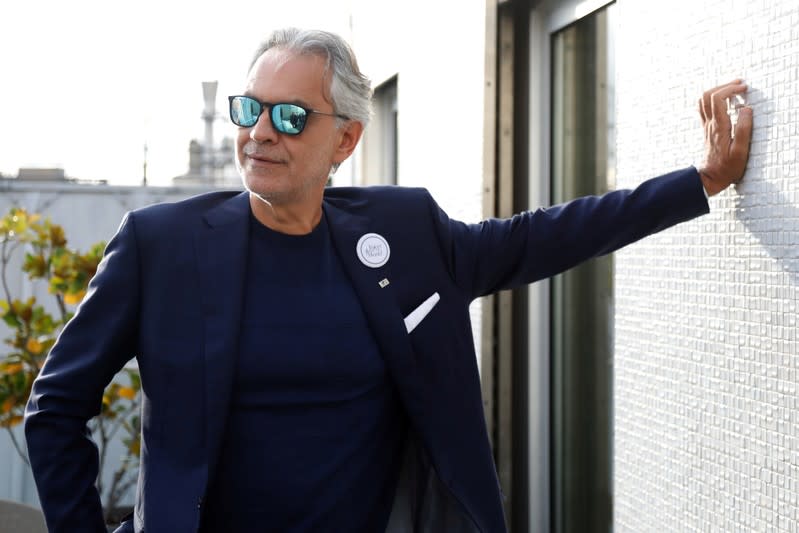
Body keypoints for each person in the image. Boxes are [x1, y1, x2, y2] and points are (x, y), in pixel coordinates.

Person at [24, 27, 752, 533]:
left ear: (345, 138)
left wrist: (701, 180)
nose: (260, 132)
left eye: (288, 115)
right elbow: (55, 406)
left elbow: (542, 237)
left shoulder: (402, 235)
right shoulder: (163, 245)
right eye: (249, 109)